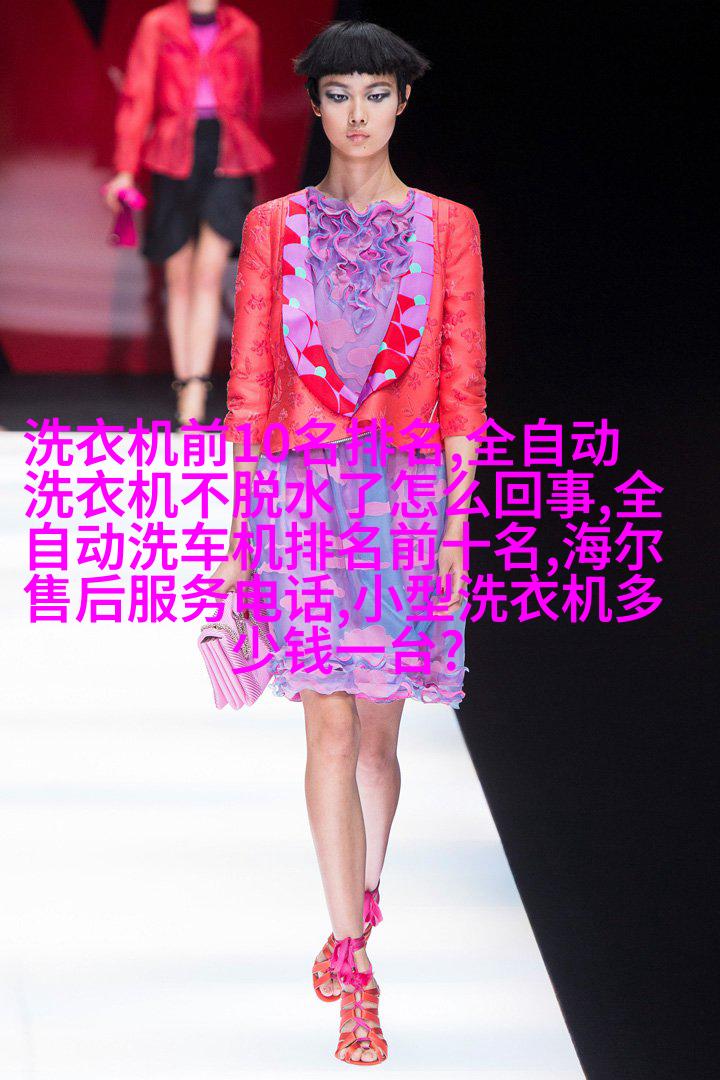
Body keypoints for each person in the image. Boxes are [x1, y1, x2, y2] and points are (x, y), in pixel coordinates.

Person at [215, 20, 487, 1066]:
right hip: (298, 497)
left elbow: (463, 383)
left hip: (405, 499)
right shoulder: (272, 227)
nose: (359, 113)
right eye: (339, 94)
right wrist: (238, 537)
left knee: (378, 741)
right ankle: (354, 962)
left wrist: (456, 523)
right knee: (326, 730)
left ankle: (362, 894)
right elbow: (249, 384)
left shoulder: (449, 227)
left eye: (378, 93)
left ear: (404, 103)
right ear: (316, 105)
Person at [104, 0, 274, 427]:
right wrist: (125, 170)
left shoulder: (244, 29)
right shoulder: (158, 24)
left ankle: (197, 388)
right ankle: (185, 384)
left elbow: (253, 99)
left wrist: (247, 158)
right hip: (172, 148)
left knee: (208, 272)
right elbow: (137, 95)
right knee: (178, 274)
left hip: (226, 148)